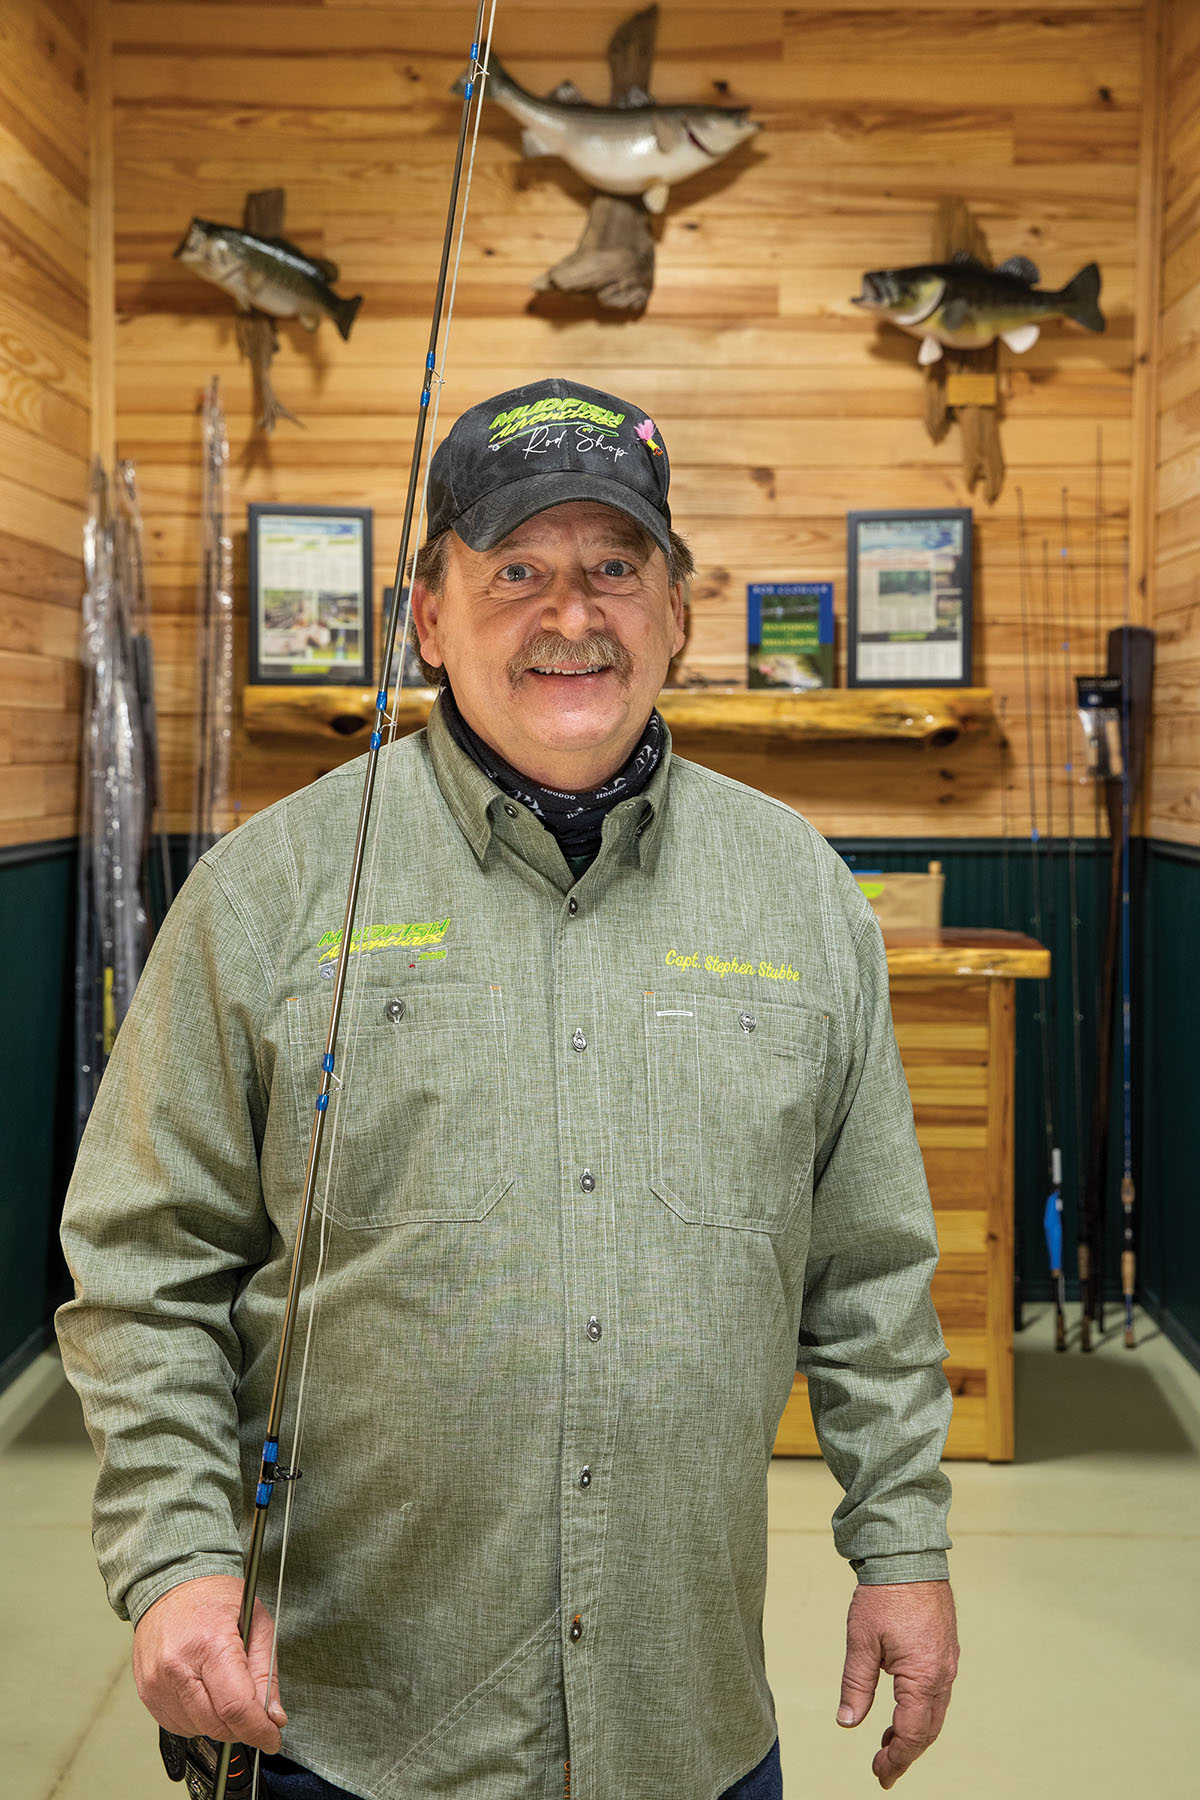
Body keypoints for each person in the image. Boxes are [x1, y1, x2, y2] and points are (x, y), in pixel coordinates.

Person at [58, 377, 959, 1800]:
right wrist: (178, 1557)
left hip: (692, 1729)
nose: (572, 613)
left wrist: (901, 1547)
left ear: (678, 609)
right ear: (427, 614)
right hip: (344, 1737)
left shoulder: (803, 898)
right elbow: (141, 1263)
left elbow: (868, 1274)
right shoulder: (268, 892)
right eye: (518, 570)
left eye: (615, 566)